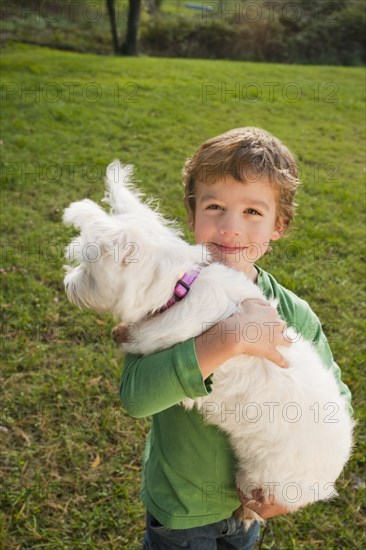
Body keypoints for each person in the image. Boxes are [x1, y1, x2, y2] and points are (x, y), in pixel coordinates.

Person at [119, 127, 352, 549]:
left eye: (252, 212)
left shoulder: (293, 313)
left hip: (250, 504)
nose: (230, 227)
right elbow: (136, 398)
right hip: (183, 510)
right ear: (191, 214)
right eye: (214, 206)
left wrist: (298, 488)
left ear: (278, 225)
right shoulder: (165, 300)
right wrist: (230, 338)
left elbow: (334, 399)